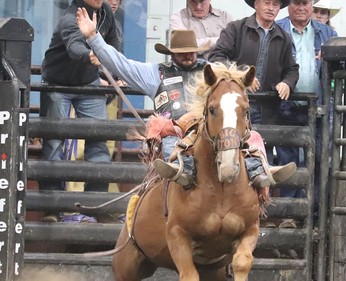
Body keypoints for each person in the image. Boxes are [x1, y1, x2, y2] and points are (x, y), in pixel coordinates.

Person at [76, 8, 296, 199]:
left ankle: (259, 170)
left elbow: (231, 82)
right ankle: (180, 170)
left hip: (209, 132)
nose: (188, 56)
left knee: (251, 137)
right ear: (171, 54)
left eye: (191, 52)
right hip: (177, 132)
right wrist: (94, 38)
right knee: (173, 142)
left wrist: (242, 77)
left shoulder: (210, 70)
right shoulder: (157, 74)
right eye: (182, 53)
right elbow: (121, 64)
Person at [40, 0, 122, 223]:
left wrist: (110, 74)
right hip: (58, 84)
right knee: (54, 143)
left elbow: (114, 40)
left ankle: (95, 204)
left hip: (89, 82)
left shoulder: (105, 12)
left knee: (98, 141)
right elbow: (75, 47)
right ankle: (51, 206)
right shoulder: (70, 18)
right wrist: (91, 56)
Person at [276, 0, 337, 221]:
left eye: (305, 3)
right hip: (286, 105)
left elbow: (342, 67)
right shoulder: (277, 29)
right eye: (296, 3)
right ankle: (289, 215)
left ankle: (317, 212)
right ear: (289, 5)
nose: (301, 7)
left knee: (322, 158)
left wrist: (331, 59)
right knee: (287, 162)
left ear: (311, 5)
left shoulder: (328, 33)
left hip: (319, 106)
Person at [208, 0, 299, 126]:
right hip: (233, 105)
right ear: (256, 4)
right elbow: (216, 56)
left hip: (267, 110)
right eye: (267, 3)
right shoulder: (236, 28)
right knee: (233, 143)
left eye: (275, 4)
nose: (271, 8)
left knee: (262, 145)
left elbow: (292, 69)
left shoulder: (284, 38)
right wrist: (241, 75)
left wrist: (287, 83)